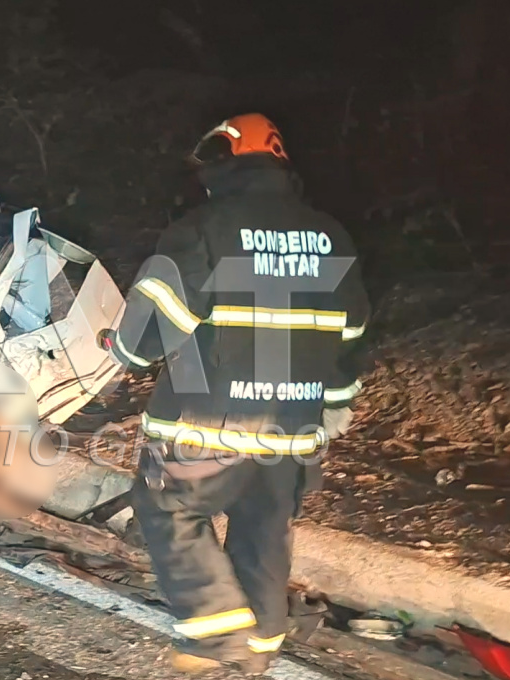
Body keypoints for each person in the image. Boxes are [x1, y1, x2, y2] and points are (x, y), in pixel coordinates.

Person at [97, 113, 370, 674]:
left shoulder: (203, 229)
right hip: (292, 429)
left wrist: (120, 350)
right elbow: (352, 334)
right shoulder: (330, 235)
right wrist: (337, 401)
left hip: (206, 424)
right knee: (263, 528)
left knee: (168, 510)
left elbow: (155, 326)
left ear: (223, 161)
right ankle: (260, 651)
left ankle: (219, 636)